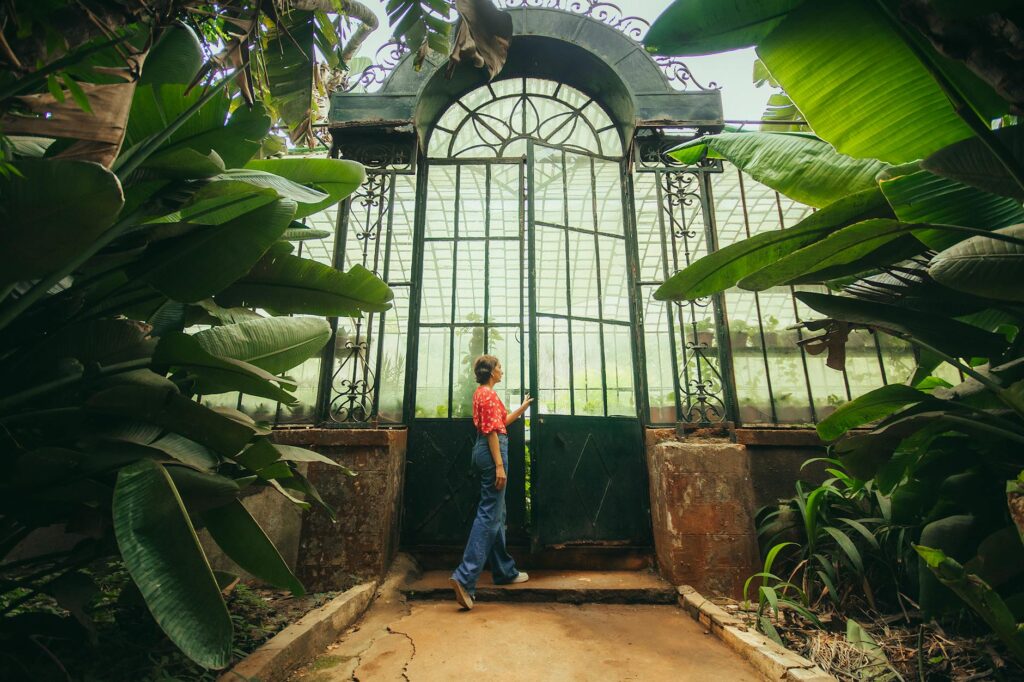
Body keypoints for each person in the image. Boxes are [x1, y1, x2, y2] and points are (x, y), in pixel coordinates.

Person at [450, 355, 533, 610]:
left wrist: (521, 409)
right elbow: (491, 431)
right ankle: (465, 579)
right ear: (490, 372)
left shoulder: (486, 394)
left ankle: (504, 571)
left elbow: (500, 422)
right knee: (489, 514)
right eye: (499, 366)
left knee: (497, 511)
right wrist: (499, 464)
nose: (502, 369)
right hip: (492, 449)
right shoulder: (485, 395)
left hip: (488, 447)